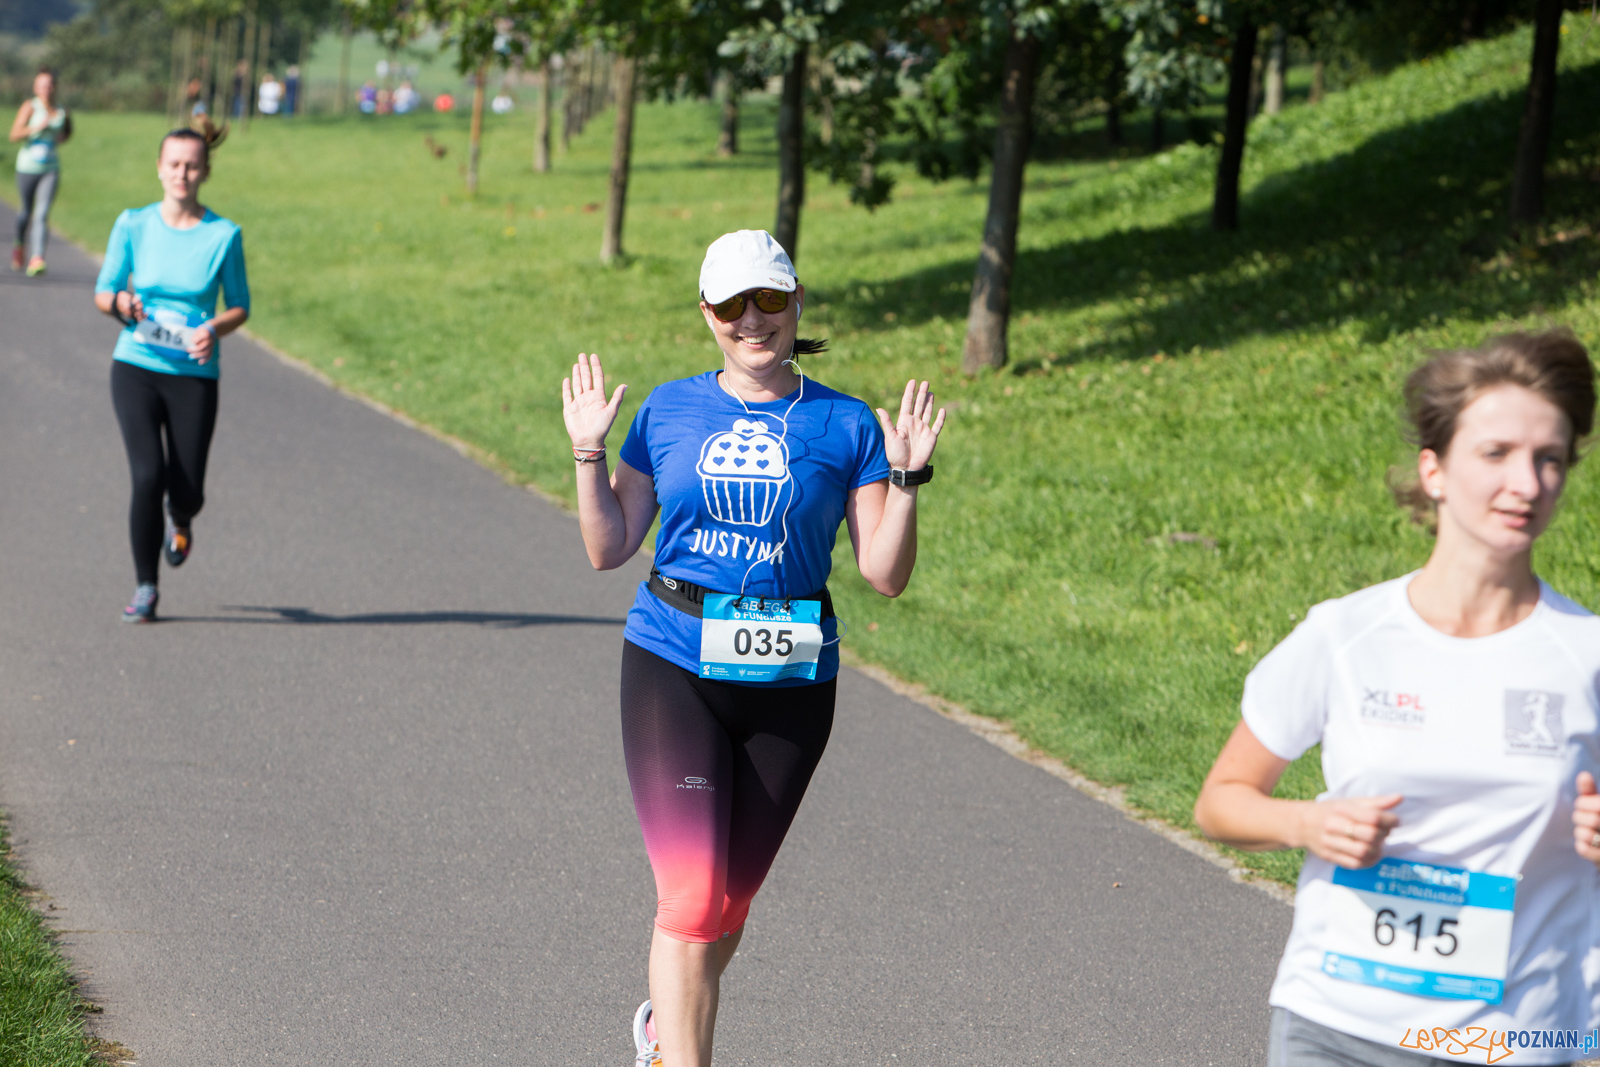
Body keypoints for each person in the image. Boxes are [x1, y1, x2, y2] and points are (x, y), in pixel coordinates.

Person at [560, 229, 944, 1067]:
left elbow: (884, 574)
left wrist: (908, 481)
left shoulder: (845, 422)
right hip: (673, 660)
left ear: (797, 300)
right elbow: (608, 544)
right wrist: (589, 452)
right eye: (732, 304)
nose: (752, 319)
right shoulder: (668, 409)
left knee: (728, 903)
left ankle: (662, 1027)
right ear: (706, 313)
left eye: (769, 298)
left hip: (792, 677)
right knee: (692, 897)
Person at [1194, 329, 1600, 1066]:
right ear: (1433, 469)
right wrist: (1308, 822)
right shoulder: (1345, 636)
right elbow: (1221, 800)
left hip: (1518, 1037)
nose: (1526, 482)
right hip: (1338, 1025)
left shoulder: (1587, 655)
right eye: (1496, 453)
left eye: (1549, 458)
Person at [92, 127, 249, 623]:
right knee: (147, 475)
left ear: (205, 172)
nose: (182, 173)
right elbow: (104, 291)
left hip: (194, 374)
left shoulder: (223, 235)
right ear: (159, 168)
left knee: (188, 489)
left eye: (192, 165)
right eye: (174, 164)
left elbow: (240, 305)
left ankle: (180, 518)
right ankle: (146, 586)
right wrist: (121, 303)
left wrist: (214, 329)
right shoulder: (133, 224)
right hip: (136, 365)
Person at [9, 68, 70, 276]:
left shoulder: (61, 110)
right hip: (27, 167)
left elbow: (67, 131)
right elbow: (14, 134)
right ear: (36, 88)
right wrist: (35, 129)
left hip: (50, 169)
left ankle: (37, 258)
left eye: (50, 85)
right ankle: (19, 244)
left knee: (42, 214)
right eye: (42, 85)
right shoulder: (30, 107)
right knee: (25, 212)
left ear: (55, 87)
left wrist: (60, 138)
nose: (46, 89)